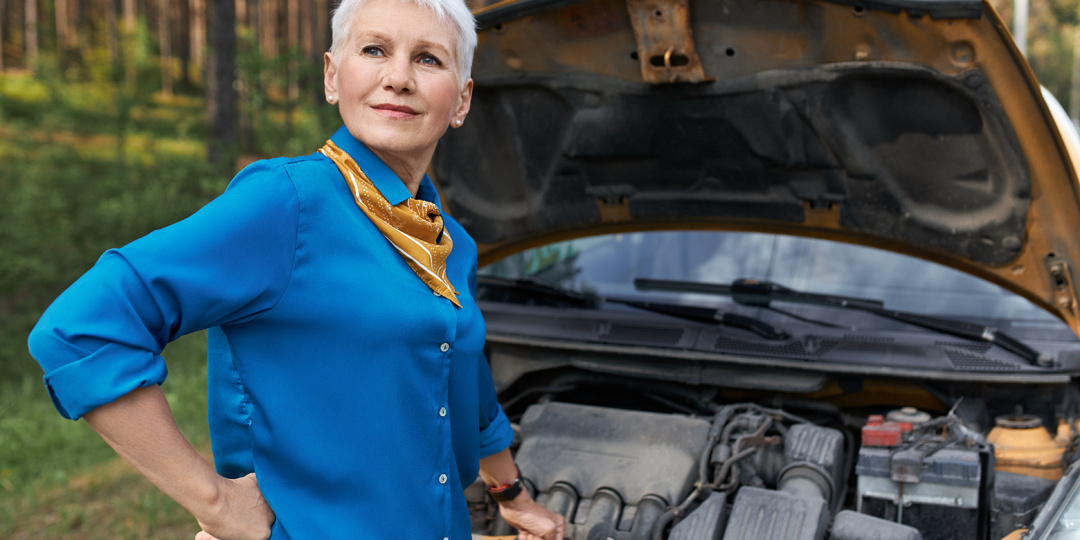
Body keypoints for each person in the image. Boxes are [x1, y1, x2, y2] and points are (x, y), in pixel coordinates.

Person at [26, 0, 565, 538]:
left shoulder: (452, 243)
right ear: (333, 76)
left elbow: (461, 376)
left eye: (429, 59)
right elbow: (81, 329)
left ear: (462, 99)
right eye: (374, 49)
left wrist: (510, 494)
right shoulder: (287, 204)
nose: (398, 78)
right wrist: (214, 502)